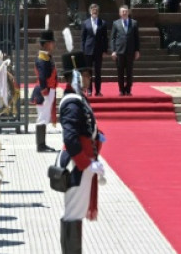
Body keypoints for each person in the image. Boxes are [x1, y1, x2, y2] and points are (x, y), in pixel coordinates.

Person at [56, 53, 106, 254]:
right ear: (77, 76)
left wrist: (97, 136)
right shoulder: (72, 102)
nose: (88, 78)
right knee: (73, 214)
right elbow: (71, 138)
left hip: (82, 162)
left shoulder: (77, 99)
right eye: (86, 74)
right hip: (76, 165)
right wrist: (87, 163)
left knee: (75, 213)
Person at [34, 30, 59, 152]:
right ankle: (40, 145)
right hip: (45, 90)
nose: (54, 45)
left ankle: (42, 143)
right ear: (45, 44)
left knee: (45, 117)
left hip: (48, 90)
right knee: (42, 117)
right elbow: (42, 76)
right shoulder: (42, 58)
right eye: (51, 42)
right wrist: (44, 90)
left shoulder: (46, 57)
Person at [110, 5, 140, 96]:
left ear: (128, 12)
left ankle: (128, 89)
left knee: (129, 72)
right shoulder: (116, 23)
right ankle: (121, 89)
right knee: (120, 72)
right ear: (119, 13)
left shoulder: (134, 23)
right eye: (122, 11)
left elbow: (137, 38)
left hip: (130, 51)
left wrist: (137, 50)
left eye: (125, 11)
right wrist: (113, 50)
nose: (124, 13)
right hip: (119, 51)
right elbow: (113, 38)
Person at [81, 4, 108, 97]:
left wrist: (105, 50)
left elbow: (105, 38)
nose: (94, 11)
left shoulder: (103, 23)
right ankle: (89, 90)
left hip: (98, 51)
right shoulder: (85, 23)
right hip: (88, 50)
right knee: (88, 72)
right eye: (92, 10)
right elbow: (83, 38)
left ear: (98, 12)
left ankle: (98, 91)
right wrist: (83, 50)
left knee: (98, 72)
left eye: (96, 10)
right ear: (90, 11)